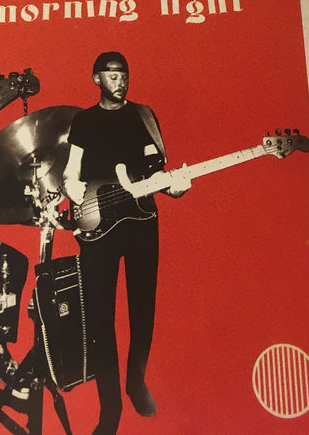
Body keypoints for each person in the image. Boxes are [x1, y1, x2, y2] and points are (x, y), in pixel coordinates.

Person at [63, 52, 190, 435]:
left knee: (142, 309)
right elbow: (71, 171)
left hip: (141, 221)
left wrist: (174, 187)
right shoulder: (84, 121)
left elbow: (157, 171)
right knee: (99, 316)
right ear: (96, 79)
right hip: (97, 222)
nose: (121, 80)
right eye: (113, 75)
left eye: (125, 74)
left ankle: (135, 381)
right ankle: (111, 406)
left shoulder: (143, 116)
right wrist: (73, 191)